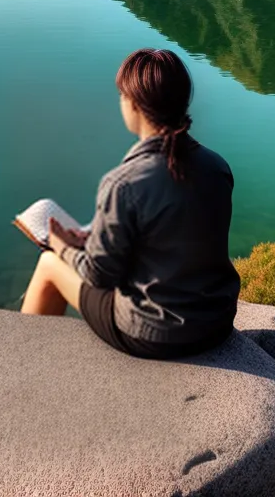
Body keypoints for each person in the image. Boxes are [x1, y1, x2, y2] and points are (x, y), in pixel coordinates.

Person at [20, 48, 240, 358]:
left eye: (122, 96)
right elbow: (178, 241)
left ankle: (22, 361)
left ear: (134, 105)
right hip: (216, 321)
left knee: (49, 265)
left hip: (157, 333)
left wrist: (63, 247)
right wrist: (92, 242)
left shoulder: (123, 183)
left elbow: (99, 277)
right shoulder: (216, 166)